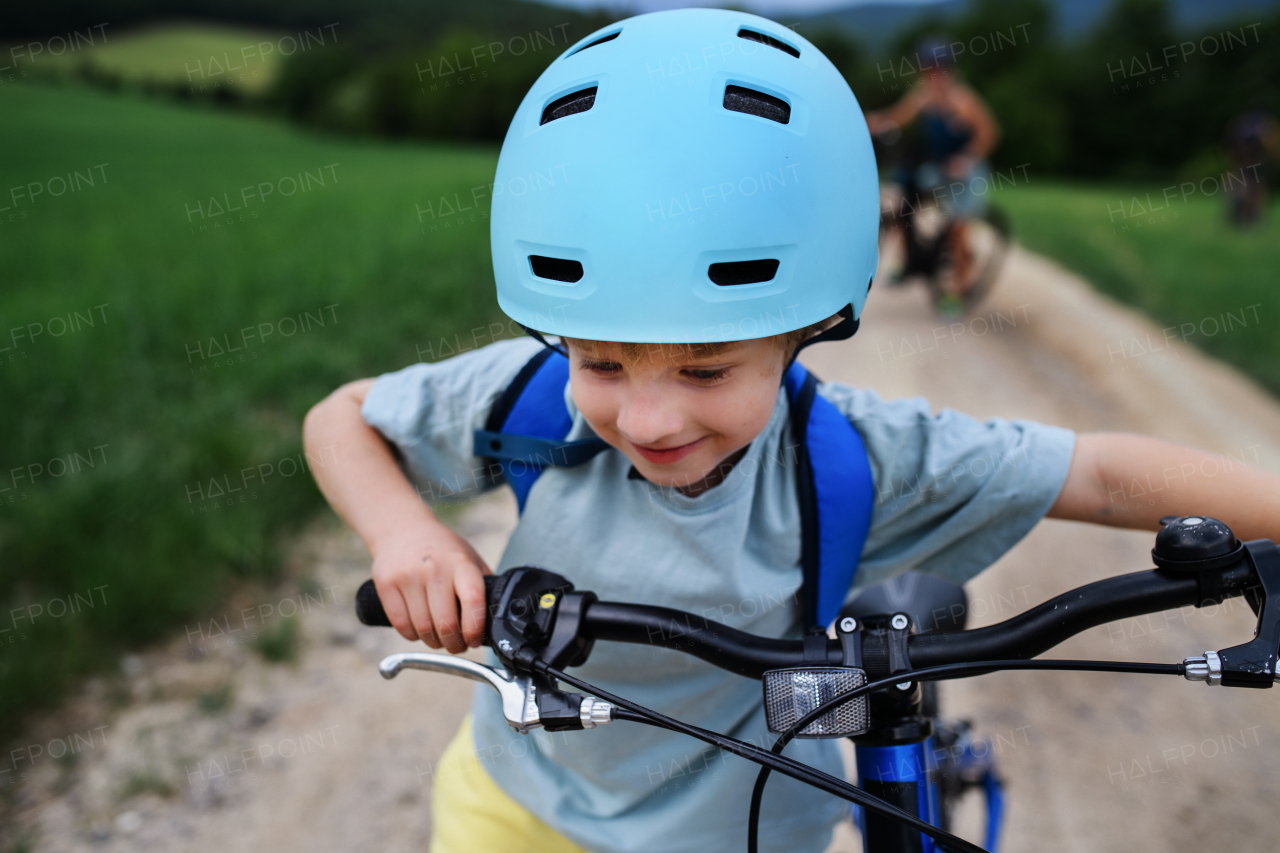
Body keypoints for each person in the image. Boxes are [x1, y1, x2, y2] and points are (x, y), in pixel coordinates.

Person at [303, 11, 1280, 853]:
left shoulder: (850, 458)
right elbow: (341, 418)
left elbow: (1101, 476)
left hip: (751, 827)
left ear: (805, 325)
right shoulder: (528, 395)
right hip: (514, 807)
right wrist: (404, 531)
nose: (646, 415)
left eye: (705, 370)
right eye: (600, 362)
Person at [865, 36, 1001, 312]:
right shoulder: (923, 96)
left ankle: (957, 290)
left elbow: (990, 133)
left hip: (965, 171)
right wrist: (874, 122)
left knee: (957, 231)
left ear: (950, 69)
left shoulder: (962, 100)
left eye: (939, 68)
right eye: (928, 68)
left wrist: (967, 158)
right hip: (938, 168)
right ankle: (907, 262)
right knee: (905, 202)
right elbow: (897, 116)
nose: (933, 74)